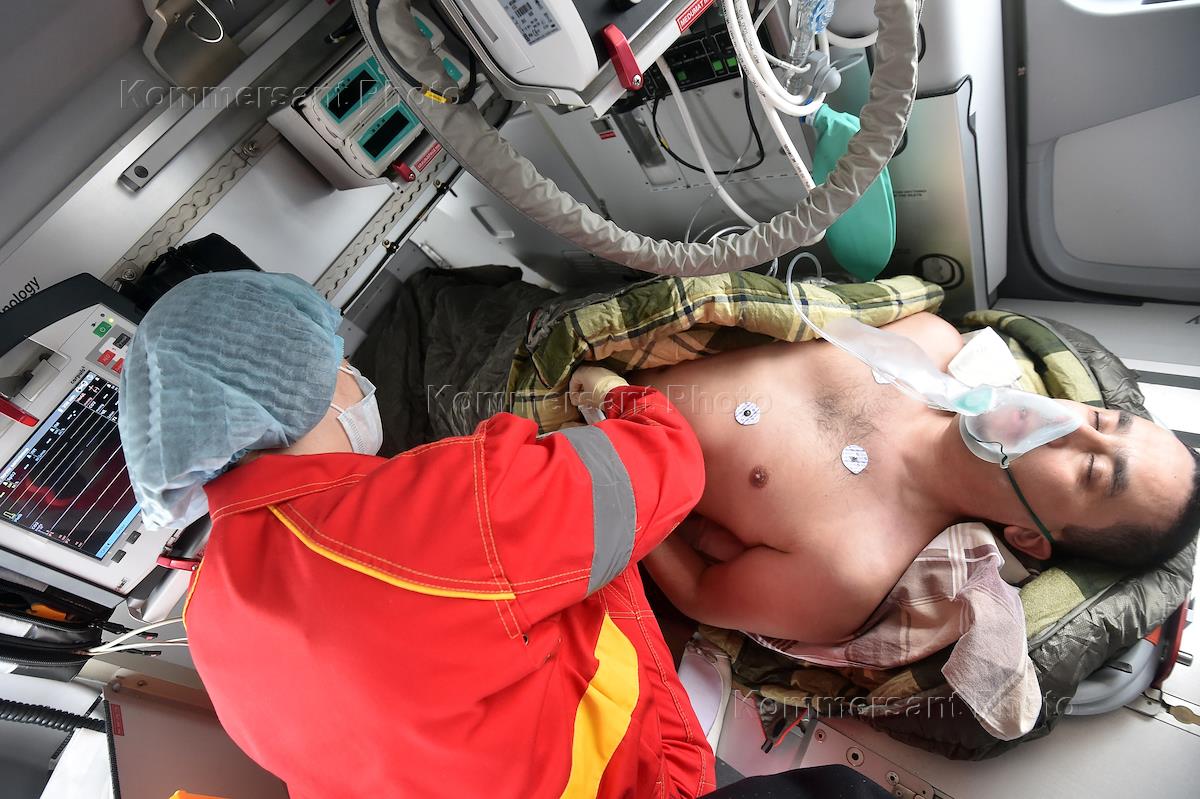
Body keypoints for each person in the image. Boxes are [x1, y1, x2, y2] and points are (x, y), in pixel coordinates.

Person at [118, 271, 717, 798]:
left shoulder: (206, 619)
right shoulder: (425, 515)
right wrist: (615, 396)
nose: (355, 376)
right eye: (339, 362)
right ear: (298, 388)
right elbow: (667, 463)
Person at [637, 312, 1200, 644]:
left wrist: (614, 444)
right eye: (1101, 421)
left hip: (603, 441)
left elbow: (699, 593)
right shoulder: (930, 338)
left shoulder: (851, 568)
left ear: (1030, 537)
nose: (1070, 425)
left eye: (1093, 470)